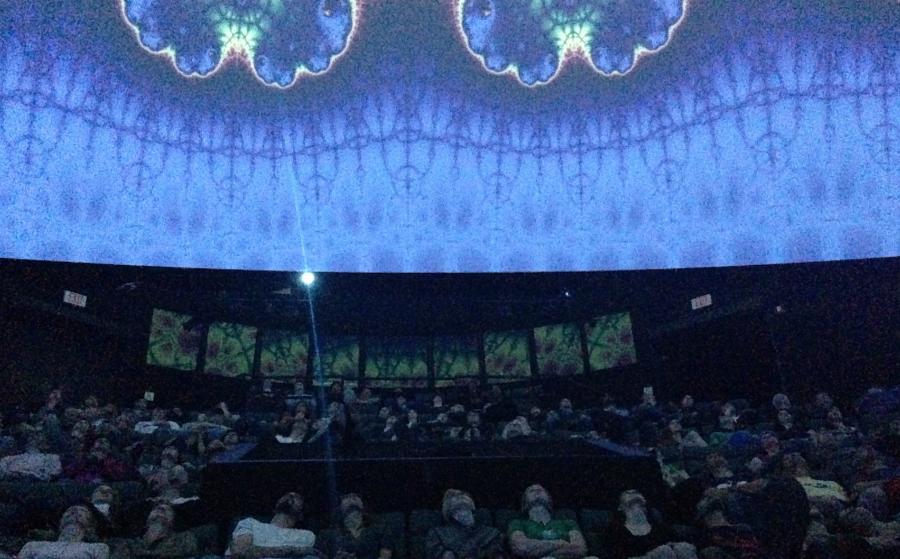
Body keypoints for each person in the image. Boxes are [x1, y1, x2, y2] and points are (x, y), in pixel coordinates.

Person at [507, 484, 593, 559]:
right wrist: (561, 544)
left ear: (549, 498)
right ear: (525, 502)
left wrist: (550, 553)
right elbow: (522, 547)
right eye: (531, 491)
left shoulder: (568, 523)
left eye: (541, 490)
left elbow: (580, 549)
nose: (537, 491)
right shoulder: (517, 523)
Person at [606, 490, 695, 559]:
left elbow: (674, 540)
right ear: (620, 507)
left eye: (639, 504)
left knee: (683, 548)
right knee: (663, 551)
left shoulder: (657, 526)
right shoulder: (616, 529)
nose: (632, 492)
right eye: (631, 504)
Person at [227, 492, 317, 558]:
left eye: (297, 496)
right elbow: (239, 551)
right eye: (287, 495)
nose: (292, 495)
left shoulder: (306, 536)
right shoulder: (250, 523)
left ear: (301, 516)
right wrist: (291, 550)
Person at [425, 489, 505, 559]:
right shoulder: (438, 534)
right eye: (458, 509)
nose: (464, 513)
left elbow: (498, 553)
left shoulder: (490, 533)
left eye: (467, 508)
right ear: (450, 514)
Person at [316, 494, 394, 559]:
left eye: (354, 496)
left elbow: (385, 555)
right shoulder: (327, 534)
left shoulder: (380, 528)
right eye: (347, 496)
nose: (351, 499)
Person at [18, 505, 111, 559]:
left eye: (82, 512)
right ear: (60, 523)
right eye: (69, 511)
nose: (74, 512)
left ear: (90, 527)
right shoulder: (32, 546)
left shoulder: (98, 548)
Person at [109, 504, 198, 559]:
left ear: (173, 520)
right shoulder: (129, 543)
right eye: (156, 509)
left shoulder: (184, 537)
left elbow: (185, 552)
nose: (160, 509)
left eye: (168, 510)